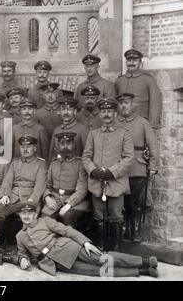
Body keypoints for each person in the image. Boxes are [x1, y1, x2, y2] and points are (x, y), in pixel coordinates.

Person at [14, 203, 159, 278]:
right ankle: (142, 271)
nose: (26, 216)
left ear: (35, 214)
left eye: (30, 213)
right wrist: (22, 259)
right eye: (23, 213)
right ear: (20, 216)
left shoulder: (45, 221)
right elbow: (22, 253)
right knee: (98, 271)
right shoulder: (20, 236)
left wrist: (85, 242)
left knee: (102, 258)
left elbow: (67, 230)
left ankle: (144, 261)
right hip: (55, 263)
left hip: (68, 248)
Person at [82, 97, 134, 251]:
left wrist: (112, 172)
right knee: (99, 216)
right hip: (97, 183)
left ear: (115, 114)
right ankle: (101, 246)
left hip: (116, 183)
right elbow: (86, 157)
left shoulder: (125, 134)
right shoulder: (93, 134)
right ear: (99, 115)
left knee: (116, 216)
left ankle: (115, 248)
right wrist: (93, 170)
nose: (106, 114)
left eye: (109, 111)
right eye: (103, 111)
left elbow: (129, 158)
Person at [116, 93, 159, 242]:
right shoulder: (116, 123)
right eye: (121, 103)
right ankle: (122, 232)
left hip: (137, 168)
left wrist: (153, 165)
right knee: (122, 203)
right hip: (120, 170)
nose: (123, 106)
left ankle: (135, 232)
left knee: (137, 204)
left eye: (126, 103)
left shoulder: (142, 123)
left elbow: (153, 144)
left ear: (132, 104)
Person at [0, 135, 47, 245]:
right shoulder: (14, 162)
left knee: (29, 213)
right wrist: (5, 195)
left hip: (30, 198)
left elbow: (40, 185)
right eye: (22, 147)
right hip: (13, 198)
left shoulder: (41, 164)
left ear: (35, 148)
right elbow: (8, 180)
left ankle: (24, 247)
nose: (25, 149)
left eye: (29, 146)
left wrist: (33, 200)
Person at [41, 132, 90, 228]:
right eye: (62, 144)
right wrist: (47, 198)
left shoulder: (80, 164)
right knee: (44, 221)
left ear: (74, 145)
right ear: (58, 146)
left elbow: (82, 190)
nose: (65, 147)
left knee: (68, 217)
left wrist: (68, 205)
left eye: (68, 143)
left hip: (76, 202)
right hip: (55, 199)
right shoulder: (54, 163)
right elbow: (47, 185)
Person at [115, 49, 162, 130]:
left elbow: (155, 104)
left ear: (140, 63)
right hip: (121, 124)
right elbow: (114, 102)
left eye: (135, 60)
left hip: (141, 124)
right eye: (129, 60)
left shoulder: (148, 80)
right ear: (126, 63)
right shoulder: (120, 80)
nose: (131, 63)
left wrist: (152, 126)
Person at [48, 95, 88, 161]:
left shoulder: (82, 129)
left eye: (69, 109)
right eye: (63, 110)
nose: (66, 113)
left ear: (75, 112)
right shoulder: (56, 130)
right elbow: (51, 155)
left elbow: (86, 154)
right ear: (60, 112)